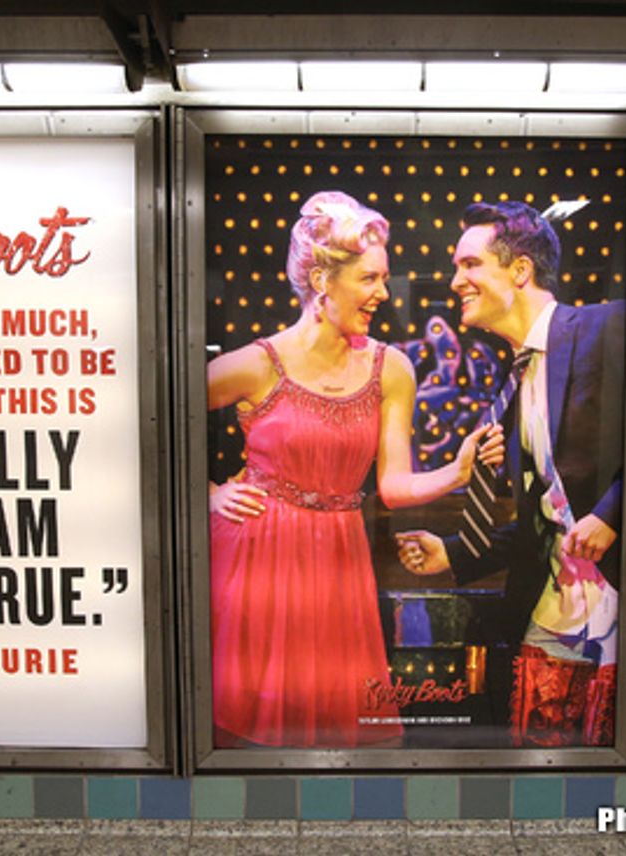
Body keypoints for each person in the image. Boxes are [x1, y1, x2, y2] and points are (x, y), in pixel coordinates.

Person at [207, 191, 503, 748]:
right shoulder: (256, 363)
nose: (383, 294)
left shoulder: (390, 367)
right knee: (252, 730)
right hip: (256, 559)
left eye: (383, 278)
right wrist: (205, 494)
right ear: (322, 280)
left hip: (338, 563)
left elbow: (392, 487)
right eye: (369, 279)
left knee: (339, 730)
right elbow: (153, 415)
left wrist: (458, 472)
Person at [397, 201, 626, 747]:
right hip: (555, 610)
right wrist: (454, 551)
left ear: (520, 271)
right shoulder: (515, 379)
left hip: (623, 604)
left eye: (470, 265)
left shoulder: (608, 326)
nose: (456, 281)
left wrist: (613, 514)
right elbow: (545, 517)